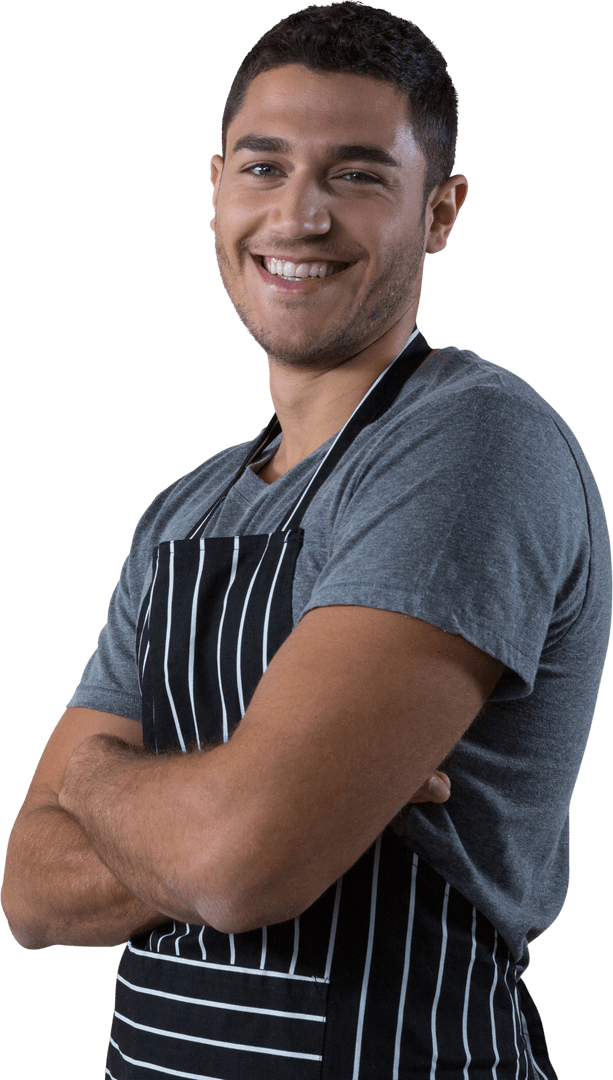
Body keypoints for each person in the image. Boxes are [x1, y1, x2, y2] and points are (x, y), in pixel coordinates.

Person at [2, 2, 610, 1077]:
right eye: (264, 168)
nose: (299, 215)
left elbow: (242, 867)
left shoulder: (472, 444)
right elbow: (30, 889)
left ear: (442, 211)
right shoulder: (185, 507)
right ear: (215, 193)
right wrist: (269, 814)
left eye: (359, 174)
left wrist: (102, 782)